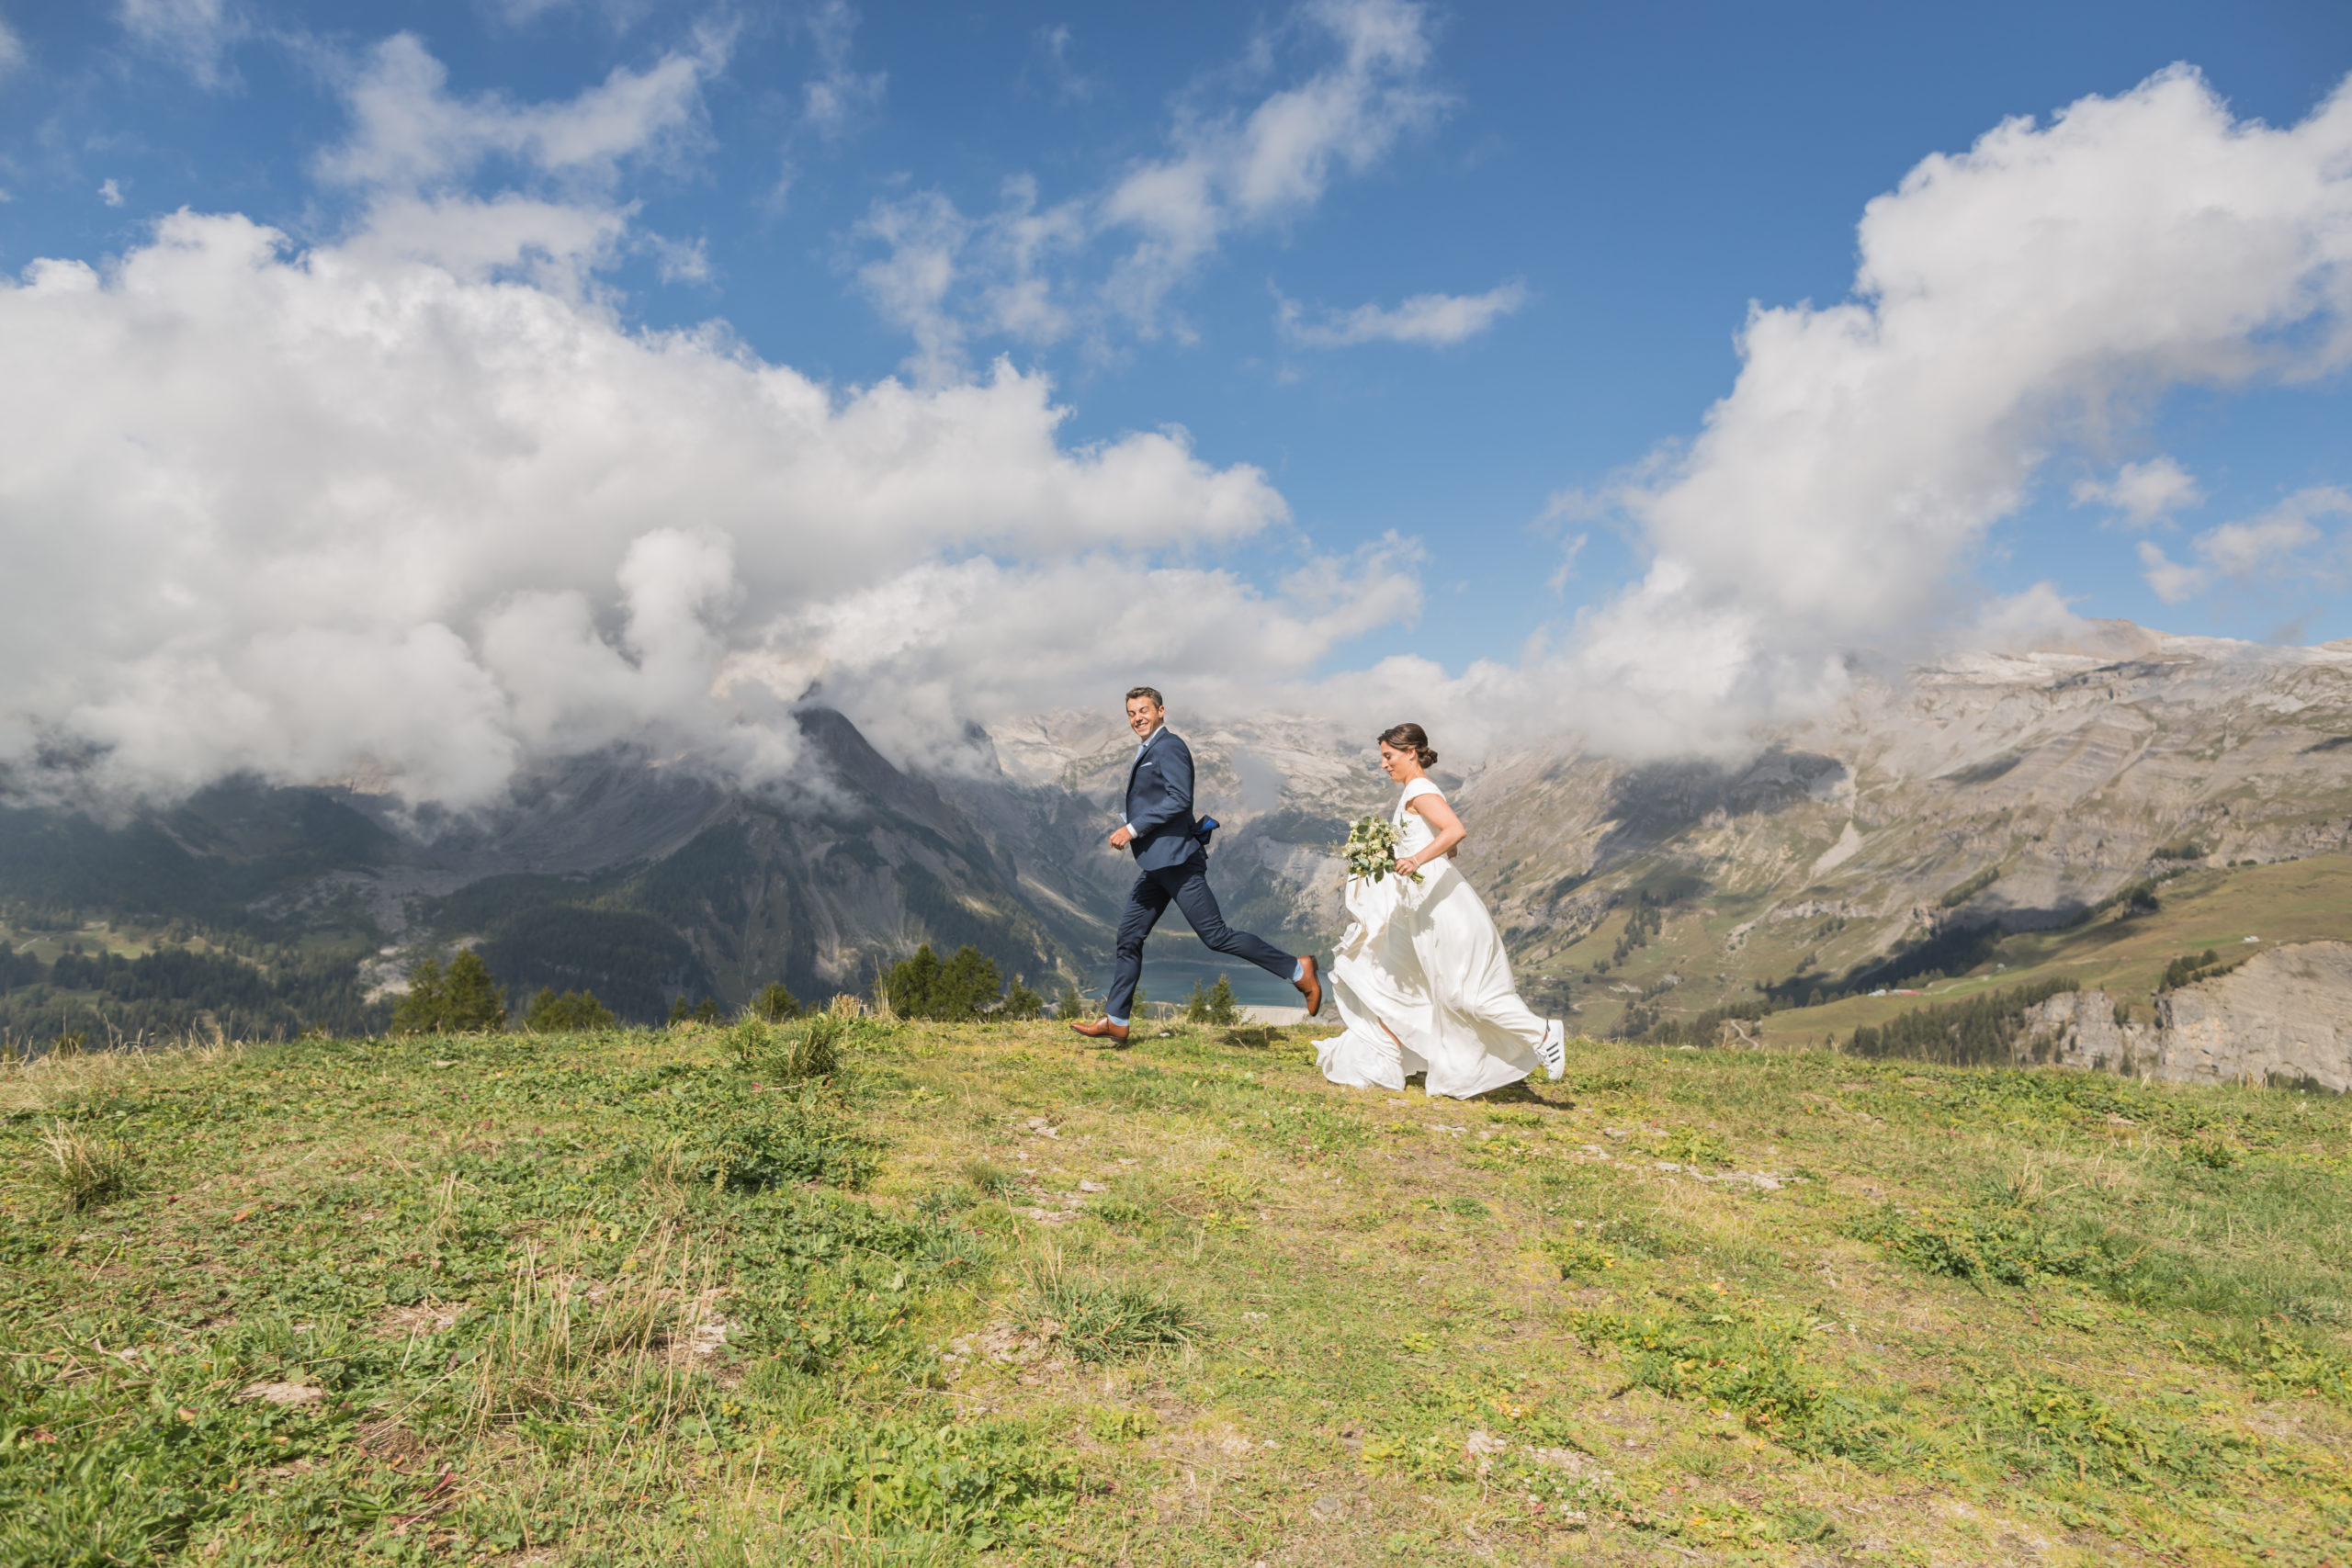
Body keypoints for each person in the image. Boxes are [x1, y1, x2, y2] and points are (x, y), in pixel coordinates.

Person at [1317, 722, 1566, 1097]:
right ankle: (1387, 1056)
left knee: (1463, 995)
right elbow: (1450, 849)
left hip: (1445, 909)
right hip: (1422, 906)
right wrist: (1389, 854)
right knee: (1393, 976)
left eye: (1388, 756)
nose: (1384, 764)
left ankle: (1543, 1033)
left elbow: (1455, 831)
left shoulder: (1419, 789)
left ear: (1411, 753)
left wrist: (1415, 859)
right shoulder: (1414, 792)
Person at [1070, 687, 1324, 1044]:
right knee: (1128, 937)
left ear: (1161, 711)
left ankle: (1298, 969)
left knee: (1216, 936)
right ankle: (1116, 1019)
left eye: (1143, 710)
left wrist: (1132, 828)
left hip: (1177, 861)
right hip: (1157, 864)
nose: (1137, 718)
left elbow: (1179, 799)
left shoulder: (1169, 746)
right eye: (1131, 713)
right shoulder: (1149, 748)